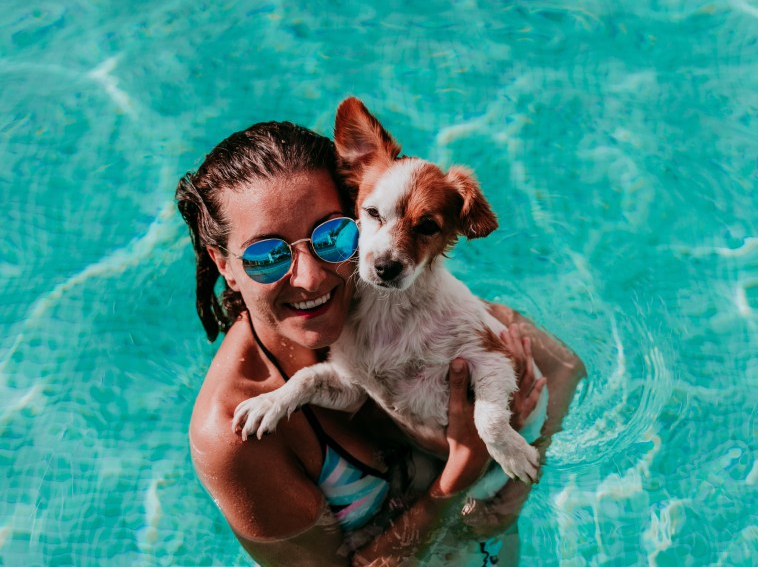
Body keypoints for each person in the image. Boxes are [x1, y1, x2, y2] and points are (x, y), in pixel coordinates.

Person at [176, 120, 585, 566]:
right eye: (267, 255)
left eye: (330, 235)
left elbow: (564, 367)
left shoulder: (395, 296)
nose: (312, 277)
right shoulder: (232, 439)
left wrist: (518, 483)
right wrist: (460, 475)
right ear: (225, 264)